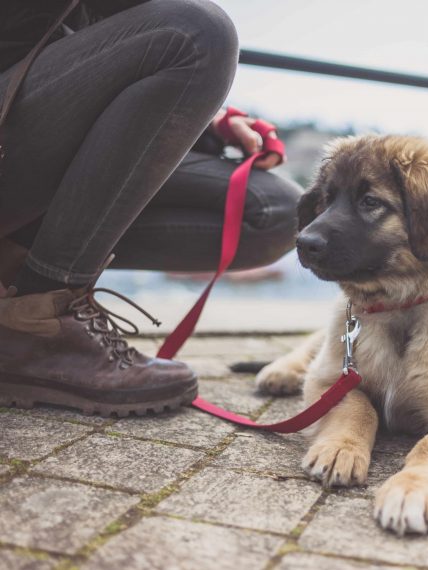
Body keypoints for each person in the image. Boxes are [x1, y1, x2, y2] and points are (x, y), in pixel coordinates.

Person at [0, 0, 302, 416]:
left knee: (276, 212)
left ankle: (21, 274)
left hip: (40, 138)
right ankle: (37, 319)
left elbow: (108, 52)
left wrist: (205, 125)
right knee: (195, 34)